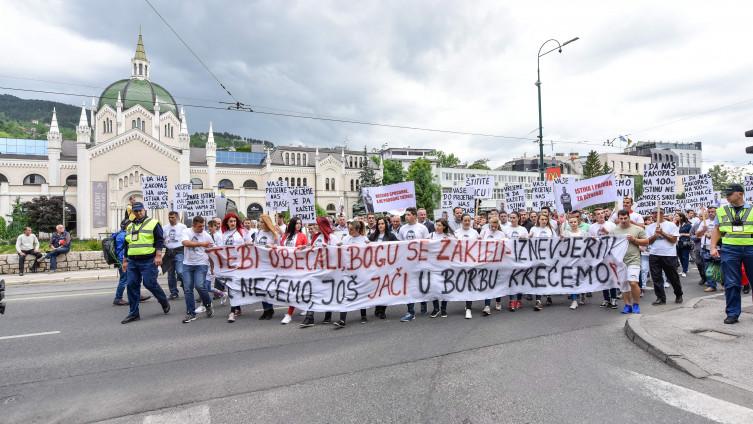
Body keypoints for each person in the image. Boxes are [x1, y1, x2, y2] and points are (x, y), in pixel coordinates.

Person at [120, 202, 171, 324]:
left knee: (149, 283)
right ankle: (133, 313)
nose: (138, 213)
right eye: (135, 211)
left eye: (140, 211)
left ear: (144, 210)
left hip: (148, 260)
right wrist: (125, 260)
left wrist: (158, 255)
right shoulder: (130, 226)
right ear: (133, 212)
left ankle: (163, 300)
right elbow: (127, 244)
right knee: (131, 285)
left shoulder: (153, 223)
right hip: (133, 261)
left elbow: (159, 240)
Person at [710, 184, 753, 324]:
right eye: (726, 194)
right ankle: (733, 313)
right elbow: (716, 230)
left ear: (740, 194)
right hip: (729, 249)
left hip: (750, 247)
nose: (727, 196)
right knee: (731, 282)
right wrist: (713, 247)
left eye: (730, 194)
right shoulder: (721, 210)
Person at [300, 217, 340, 328]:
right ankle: (309, 317)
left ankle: (328, 315)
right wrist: (305, 247)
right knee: (312, 293)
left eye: (317, 224)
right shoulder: (316, 237)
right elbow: (311, 249)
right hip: (315, 271)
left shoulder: (332, 238)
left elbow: (339, 252)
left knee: (327, 294)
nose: (315, 226)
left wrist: (329, 248)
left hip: (328, 271)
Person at [243, 214, 280, 322]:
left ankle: (269, 309)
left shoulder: (274, 234)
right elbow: (256, 245)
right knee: (261, 288)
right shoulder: (258, 233)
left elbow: (280, 248)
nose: (260, 223)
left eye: (262, 222)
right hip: (259, 264)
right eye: (259, 221)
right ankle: (266, 309)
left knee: (267, 287)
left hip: (269, 264)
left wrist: (273, 246)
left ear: (267, 222)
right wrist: (250, 244)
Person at [333, 220, 370, 329]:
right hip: (348, 273)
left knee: (361, 293)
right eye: (348, 229)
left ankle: (363, 315)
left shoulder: (364, 240)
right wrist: (336, 246)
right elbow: (339, 248)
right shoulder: (346, 239)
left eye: (351, 229)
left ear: (357, 229)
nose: (349, 231)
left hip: (360, 272)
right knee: (345, 294)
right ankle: (342, 319)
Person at [180, 216, 214, 323]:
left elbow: (212, 251)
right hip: (187, 264)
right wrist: (201, 244)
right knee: (188, 289)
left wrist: (213, 267)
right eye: (200, 226)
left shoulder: (207, 236)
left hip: (201, 264)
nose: (202, 228)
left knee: (199, 286)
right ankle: (191, 313)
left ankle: (208, 305)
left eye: (203, 225)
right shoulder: (186, 231)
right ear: (193, 225)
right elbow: (185, 243)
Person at [613, 209, 649, 314]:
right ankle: (627, 305)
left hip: (634, 260)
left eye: (625, 218)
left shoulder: (637, 229)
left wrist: (634, 240)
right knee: (624, 284)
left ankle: (636, 304)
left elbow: (646, 242)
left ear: (629, 217)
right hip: (620, 262)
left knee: (633, 283)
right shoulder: (614, 231)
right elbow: (608, 243)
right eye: (621, 218)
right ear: (618, 219)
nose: (623, 220)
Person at [398, 207, 430, 322]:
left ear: (415, 216)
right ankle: (410, 311)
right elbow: (400, 245)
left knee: (421, 283)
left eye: (408, 214)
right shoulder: (402, 229)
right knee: (408, 286)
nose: (406, 217)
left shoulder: (422, 228)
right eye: (405, 215)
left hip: (420, 262)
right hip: (408, 263)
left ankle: (423, 303)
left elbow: (427, 245)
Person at [647, 208, 683, 306]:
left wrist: (662, 233)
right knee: (656, 278)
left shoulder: (671, 225)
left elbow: (673, 240)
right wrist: (655, 235)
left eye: (657, 213)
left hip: (668, 255)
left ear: (662, 214)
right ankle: (660, 298)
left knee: (673, 277)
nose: (655, 215)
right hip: (654, 254)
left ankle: (678, 294)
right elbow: (648, 241)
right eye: (653, 213)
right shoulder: (649, 227)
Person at [112, 219, 151, 305]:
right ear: (127, 226)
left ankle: (138, 295)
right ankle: (118, 298)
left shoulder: (119, 234)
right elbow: (126, 248)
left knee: (135, 278)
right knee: (124, 279)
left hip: (121, 259)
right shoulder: (124, 235)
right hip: (123, 260)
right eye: (130, 225)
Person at [279, 217, 309, 324]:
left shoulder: (303, 236)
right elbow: (280, 248)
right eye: (296, 223)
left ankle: (289, 314)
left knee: (293, 290)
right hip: (286, 267)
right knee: (290, 290)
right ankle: (305, 306)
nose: (299, 225)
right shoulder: (285, 236)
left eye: (300, 223)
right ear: (292, 224)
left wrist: (304, 247)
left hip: (298, 267)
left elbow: (307, 251)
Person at [368, 216, 398, 320]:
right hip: (375, 267)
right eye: (379, 224)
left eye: (382, 224)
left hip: (386, 267)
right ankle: (377, 307)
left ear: (386, 225)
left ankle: (382, 310)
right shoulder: (372, 236)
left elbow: (399, 247)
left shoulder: (391, 236)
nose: (380, 225)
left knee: (385, 288)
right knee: (377, 288)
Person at [589, 209, 618, 308]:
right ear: (594, 216)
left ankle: (613, 298)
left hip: (610, 253)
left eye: (602, 213)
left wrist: (607, 232)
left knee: (612, 276)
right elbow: (590, 241)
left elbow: (617, 238)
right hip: (599, 254)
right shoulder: (592, 227)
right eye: (598, 214)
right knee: (603, 277)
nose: (601, 215)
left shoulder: (611, 225)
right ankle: (606, 299)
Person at [528, 214, 555, 310]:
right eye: (542, 219)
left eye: (545, 219)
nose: (543, 221)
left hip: (547, 257)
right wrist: (528, 236)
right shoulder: (533, 229)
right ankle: (538, 300)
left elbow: (555, 242)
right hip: (536, 257)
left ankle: (548, 296)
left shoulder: (550, 230)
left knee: (546, 277)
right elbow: (529, 240)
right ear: (538, 220)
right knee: (538, 278)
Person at [428, 218, 454, 318]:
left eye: (439, 225)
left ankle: (443, 308)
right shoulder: (430, 236)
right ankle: (435, 308)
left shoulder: (449, 237)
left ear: (444, 227)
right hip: (433, 265)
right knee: (434, 287)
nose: (437, 227)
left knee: (444, 288)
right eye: (436, 225)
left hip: (445, 266)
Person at [561, 215, 587, 310]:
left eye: (575, 222)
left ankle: (582, 294)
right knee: (572, 279)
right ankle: (574, 300)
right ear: (568, 223)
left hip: (582, 260)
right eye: (571, 222)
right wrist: (561, 239)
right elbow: (562, 245)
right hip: (571, 260)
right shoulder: (566, 233)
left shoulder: (584, 233)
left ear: (578, 222)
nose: (573, 224)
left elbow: (589, 244)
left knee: (581, 278)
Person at [162, 211, 186, 300]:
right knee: (170, 274)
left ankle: (186, 289)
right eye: (169, 217)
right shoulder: (165, 228)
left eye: (173, 217)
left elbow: (186, 238)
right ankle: (174, 292)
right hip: (169, 253)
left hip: (179, 251)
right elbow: (162, 239)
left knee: (180, 271)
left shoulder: (183, 227)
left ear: (177, 217)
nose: (171, 219)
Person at [697, 207, 719, 292]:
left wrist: (712, 235)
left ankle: (724, 283)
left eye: (713, 211)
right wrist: (703, 230)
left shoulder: (720, 221)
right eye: (709, 212)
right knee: (708, 268)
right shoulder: (704, 222)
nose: (710, 213)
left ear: (716, 212)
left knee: (721, 267)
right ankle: (712, 285)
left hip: (718, 247)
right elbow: (697, 234)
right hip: (706, 248)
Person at [675, 212, 692, 277]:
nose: (675, 217)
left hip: (685, 243)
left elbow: (691, 234)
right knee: (680, 257)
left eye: (677, 216)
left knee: (685, 257)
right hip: (677, 243)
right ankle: (684, 269)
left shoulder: (688, 225)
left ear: (681, 217)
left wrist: (682, 234)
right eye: (675, 216)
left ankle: (685, 271)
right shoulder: (676, 224)